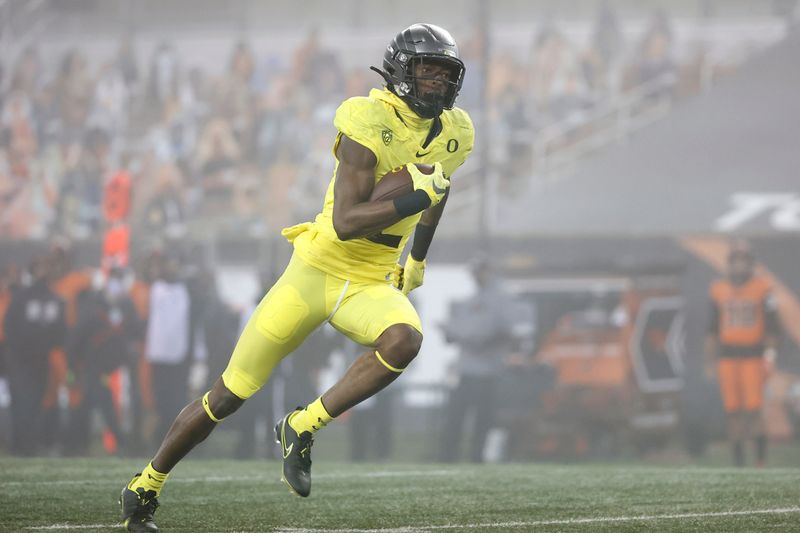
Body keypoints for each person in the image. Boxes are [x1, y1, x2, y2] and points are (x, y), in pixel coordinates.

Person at [120, 23, 473, 531]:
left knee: (403, 342)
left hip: (372, 280)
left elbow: (441, 189)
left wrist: (416, 260)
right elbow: (346, 223)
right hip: (315, 270)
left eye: (445, 74)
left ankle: (302, 425)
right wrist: (414, 192)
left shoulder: (457, 131)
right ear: (400, 71)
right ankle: (146, 485)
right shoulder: (366, 118)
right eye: (427, 70)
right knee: (228, 394)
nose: (436, 83)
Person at [439, 257, 535, 462]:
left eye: (480, 271)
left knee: (483, 418)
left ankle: (477, 456)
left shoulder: (502, 299)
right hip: (466, 369)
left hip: (489, 370)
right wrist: (451, 332)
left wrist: (481, 339)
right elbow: (454, 334)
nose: (476, 276)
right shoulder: (469, 301)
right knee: (456, 416)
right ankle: (449, 456)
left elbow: (510, 332)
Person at [705, 240, 780, 467]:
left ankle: (760, 461)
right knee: (733, 412)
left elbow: (772, 327)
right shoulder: (718, 289)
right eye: (735, 262)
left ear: (750, 264)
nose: (739, 267)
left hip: (753, 357)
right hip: (728, 357)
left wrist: (770, 355)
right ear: (729, 264)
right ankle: (738, 466)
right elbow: (712, 328)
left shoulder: (763, 288)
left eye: (743, 262)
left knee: (754, 410)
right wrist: (709, 360)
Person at [3, 255, 66, 456]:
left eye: (45, 268)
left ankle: (30, 443)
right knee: (23, 401)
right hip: (20, 359)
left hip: (41, 359)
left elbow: (60, 329)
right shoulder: (22, 297)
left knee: (37, 399)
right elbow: (10, 325)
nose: (42, 272)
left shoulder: (53, 298)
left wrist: (50, 345)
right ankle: (21, 444)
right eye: (38, 268)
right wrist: (16, 351)